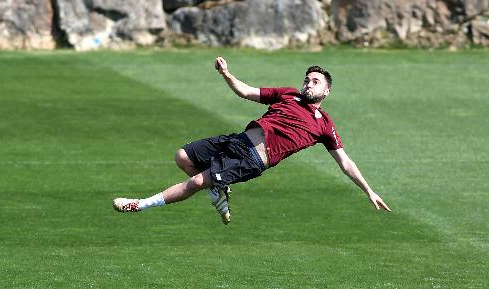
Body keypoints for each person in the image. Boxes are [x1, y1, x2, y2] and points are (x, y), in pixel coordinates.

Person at [113, 57, 391, 224]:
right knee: (182, 157)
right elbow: (246, 92)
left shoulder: (324, 125)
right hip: (238, 141)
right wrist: (226, 73)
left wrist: (369, 190)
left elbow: (345, 162)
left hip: (252, 160)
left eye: (315, 81)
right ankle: (219, 192)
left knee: (198, 181)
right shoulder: (288, 94)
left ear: (326, 91)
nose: (308, 83)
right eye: (307, 79)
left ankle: (140, 204)